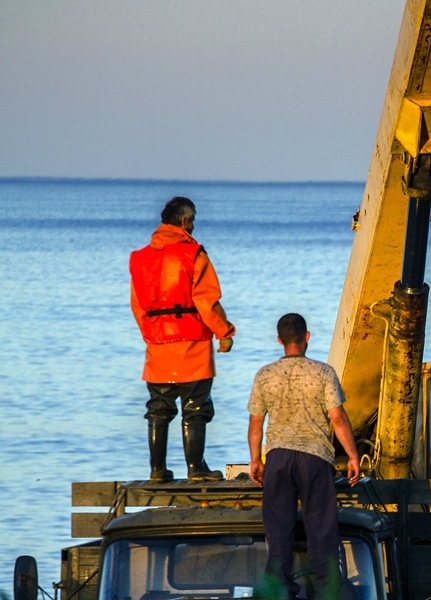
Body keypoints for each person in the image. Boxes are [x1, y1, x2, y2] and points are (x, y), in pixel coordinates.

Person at [247, 313, 361, 600]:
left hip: (278, 457)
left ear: (279, 340)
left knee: (278, 530)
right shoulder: (323, 373)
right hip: (315, 458)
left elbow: (256, 424)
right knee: (322, 530)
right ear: (306, 337)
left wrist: (256, 461)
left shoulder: (265, 375)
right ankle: (326, 591)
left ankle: (280, 591)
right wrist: (352, 456)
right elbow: (337, 419)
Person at [130, 196, 235, 483]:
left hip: (158, 344)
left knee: (158, 409)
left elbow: (138, 306)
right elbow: (206, 300)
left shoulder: (139, 259)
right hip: (192, 343)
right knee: (196, 408)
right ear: (185, 222)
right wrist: (224, 333)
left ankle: (157, 470)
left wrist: (151, 334)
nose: (194, 225)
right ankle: (196, 468)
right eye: (193, 220)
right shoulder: (193, 254)